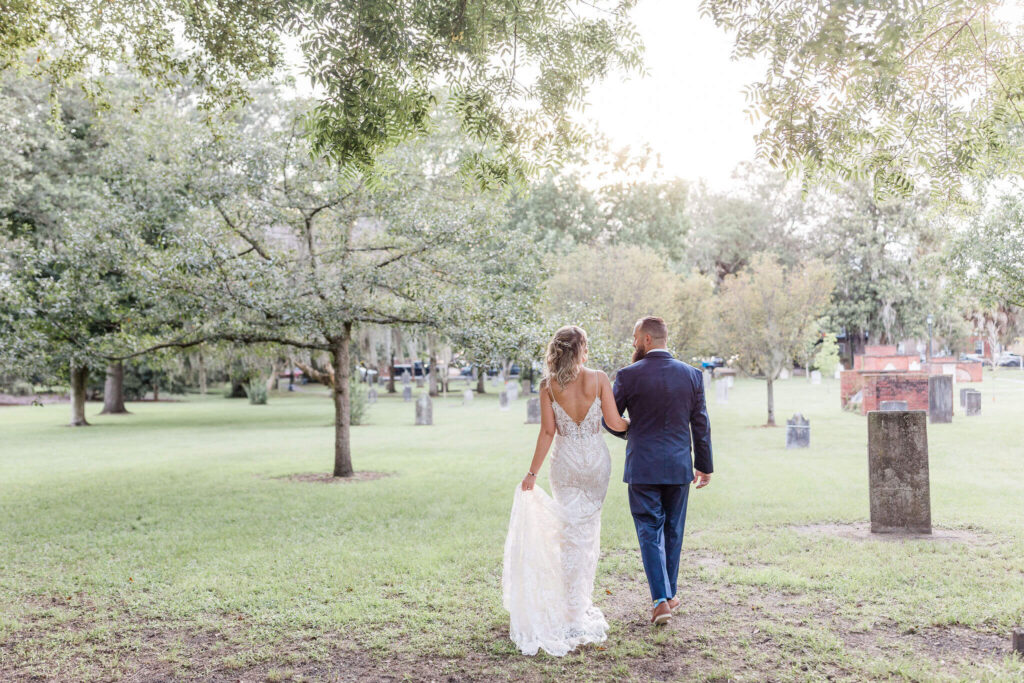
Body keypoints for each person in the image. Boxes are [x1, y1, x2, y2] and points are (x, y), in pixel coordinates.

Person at [501, 325, 630, 656]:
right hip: (596, 464)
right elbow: (616, 424)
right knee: (585, 535)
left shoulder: (548, 386)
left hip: (566, 463)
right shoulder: (599, 378)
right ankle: (577, 608)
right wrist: (644, 424)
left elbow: (547, 432)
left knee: (569, 534)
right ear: (582, 348)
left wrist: (532, 474)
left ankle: (571, 607)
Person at [603, 315, 713, 625]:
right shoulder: (691, 375)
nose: (634, 342)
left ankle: (661, 600)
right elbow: (700, 423)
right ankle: (670, 594)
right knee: (673, 531)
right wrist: (703, 465)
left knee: (649, 530)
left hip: (642, 466)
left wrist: (632, 432)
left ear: (648, 339)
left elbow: (609, 419)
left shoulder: (627, 375)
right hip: (678, 466)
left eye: (636, 337)